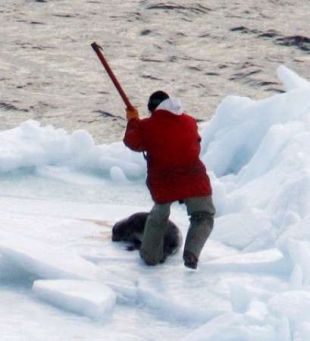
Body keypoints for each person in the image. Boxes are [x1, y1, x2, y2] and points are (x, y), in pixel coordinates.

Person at [123, 91, 215, 269]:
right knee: (203, 215)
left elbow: (132, 141)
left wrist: (133, 121)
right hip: (194, 177)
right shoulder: (189, 121)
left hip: (164, 180)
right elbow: (195, 141)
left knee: (158, 216)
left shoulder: (148, 126)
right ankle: (192, 252)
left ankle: (150, 256)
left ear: (153, 108)